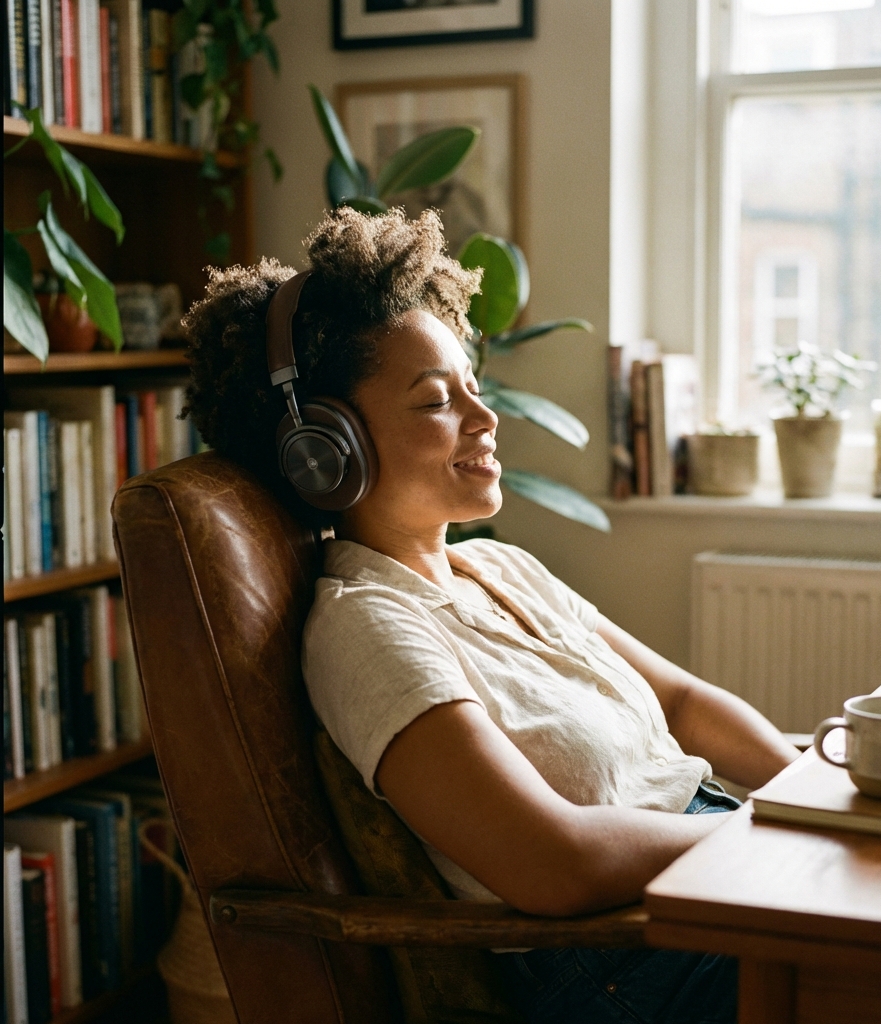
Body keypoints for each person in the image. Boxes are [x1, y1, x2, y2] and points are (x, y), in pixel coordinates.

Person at [183, 207, 800, 1024]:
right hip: (620, 958)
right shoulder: (366, 628)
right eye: (437, 401)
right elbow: (555, 862)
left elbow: (683, 705)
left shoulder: (503, 566)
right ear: (324, 449)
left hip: (702, 874)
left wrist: (813, 799)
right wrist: (777, 840)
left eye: (473, 389)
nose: (485, 418)